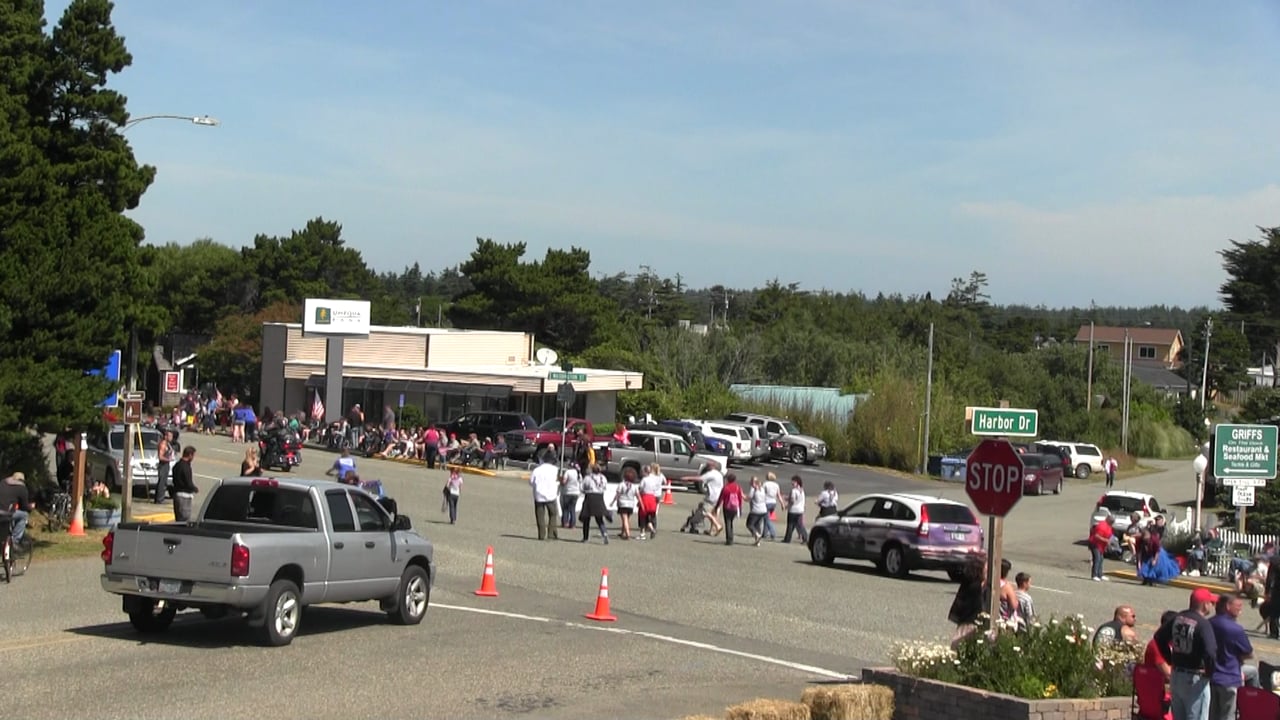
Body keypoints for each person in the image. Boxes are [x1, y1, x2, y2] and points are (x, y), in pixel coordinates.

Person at [1154, 588, 1219, 720]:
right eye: (1211, 603)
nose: (1212, 606)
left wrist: (1170, 659)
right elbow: (1211, 652)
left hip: (1177, 675)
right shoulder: (1203, 624)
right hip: (1195, 678)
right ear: (1204, 604)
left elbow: (1159, 637)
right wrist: (1210, 672)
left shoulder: (1178, 618)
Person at [1209, 593, 1259, 720]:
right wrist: (1239, 658)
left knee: (1212, 715)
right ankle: (1252, 704)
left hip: (1210, 676)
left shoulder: (1208, 623)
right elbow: (1249, 653)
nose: (1241, 609)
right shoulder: (1235, 629)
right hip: (1229, 677)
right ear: (1228, 606)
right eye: (1238, 606)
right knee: (1227, 715)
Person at [948, 557, 985, 647]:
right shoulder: (976, 586)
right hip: (970, 618)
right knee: (962, 638)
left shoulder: (967, 581)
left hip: (964, 616)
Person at [529, 455, 560, 541]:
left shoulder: (536, 470)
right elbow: (557, 480)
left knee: (540, 516)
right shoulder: (555, 469)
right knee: (553, 514)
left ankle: (541, 534)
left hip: (539, 495)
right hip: (551, 495)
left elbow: (531, 482)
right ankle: (551, 533)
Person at [579, 464, 609, 544]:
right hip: (600, 497)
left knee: (586, 518)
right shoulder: (603, 478)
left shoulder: (588, 478)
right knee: (599, 518)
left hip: (590, 497)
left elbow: (582, 487)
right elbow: (605, 487)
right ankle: (604, 533)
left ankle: (585, 538)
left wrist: (585, 491)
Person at [712, 473, 745, 546]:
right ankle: (731, 538)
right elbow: (740, 499)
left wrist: (716, 507)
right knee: (731, 523)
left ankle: (729, 540)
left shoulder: (726, 488)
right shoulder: (738, 487)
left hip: (727, 507)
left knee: (728, 523)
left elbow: (721, 498)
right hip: (735, 507)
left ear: (728, 479)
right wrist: (740, 508)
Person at [0, 472, 32, 545]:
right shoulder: (22, 488)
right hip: (6, 513)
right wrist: (30, 507)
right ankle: (15, 541)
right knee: (24, 515)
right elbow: (24, 507)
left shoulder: (2, 482)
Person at [170, 446, 198, 522]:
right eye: (193, 455)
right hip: (184, 496)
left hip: (177, 494)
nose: (193, 458)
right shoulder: (185, 467)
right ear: (190, 455)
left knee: (178, 518)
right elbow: (188, 482)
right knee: (184, 519)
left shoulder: (177, 465)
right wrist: (194, 488)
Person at [698, 461, 725, 535]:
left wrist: (687, 478)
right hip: (719, 496)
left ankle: (718, 525)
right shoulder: (719, 474)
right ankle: (712, 530)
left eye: (708, 466)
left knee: (705, 511)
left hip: (712, 496)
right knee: (714, 513)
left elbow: (700, 478)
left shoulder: (710, 474)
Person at [638, 463, 663, 540]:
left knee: (642, 516)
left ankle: (642, 533)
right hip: (652, 498)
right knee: (649, 516)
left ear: (645, 472)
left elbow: (640, 488)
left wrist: (639, 499)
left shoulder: (644, 479)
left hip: (645, 498)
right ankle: (652, 529)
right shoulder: (653, 480)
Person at [613, 467, 639, 540]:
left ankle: (627, 534)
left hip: (622, 503)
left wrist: (613, 501)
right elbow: (638, 495)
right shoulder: (634, 486)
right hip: (630, 504)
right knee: (626, 519)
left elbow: (618, 494)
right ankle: (622, 532)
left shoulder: (621, 484)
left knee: (624, 519)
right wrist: (641, 503)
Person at [782, 475, 808, 544]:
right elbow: (797, 499)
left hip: (793, 510)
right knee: (800, 525)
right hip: (800, 510)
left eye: (794, 481)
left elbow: (792, 500)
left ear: (797, 482)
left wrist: (786, 506)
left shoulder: (793, 490)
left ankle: (787, 539)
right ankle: (805, 537)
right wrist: (787, 498)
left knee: (790, 525)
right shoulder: (801, 490)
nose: (792, 483)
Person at [1089, 514, 1114, 581]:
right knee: (1097, 559)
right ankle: (1094, 575)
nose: (1112, 523)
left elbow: (1109, 535)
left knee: (1101, 559)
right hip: (1095, 544)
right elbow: (1096, 536)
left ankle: (1100, 575)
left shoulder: (1109, 526)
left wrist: (1107, 544)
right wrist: (1106, 540)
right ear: (1108, 519)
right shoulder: (1102, 526)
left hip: (1101, 546)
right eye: (1111, 521)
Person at [746, 476, 769, 547]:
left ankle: (757, 534)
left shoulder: (753, 489)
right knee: (757, 525)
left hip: (756, 510)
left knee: (749, 524)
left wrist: (742, 495)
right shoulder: (762, 489)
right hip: (763, 510)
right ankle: (757, 542)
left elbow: (748, 498)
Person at [559, 462, 581, 530]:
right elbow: (580, 482)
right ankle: (573, 524)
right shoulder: (578, 473)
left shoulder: (568, 472)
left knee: (566, 508)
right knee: (572, 509)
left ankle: (565, 522)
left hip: (568, 492)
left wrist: (561, 482)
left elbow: (564, 482)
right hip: (576, 492)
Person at [154, 430, 174, 503]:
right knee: (161, 482)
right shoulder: (163, 444)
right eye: (170, 436)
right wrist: (169, 459)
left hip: (166, 464)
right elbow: (160, 457)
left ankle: (161, 498)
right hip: (163, 465)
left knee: (164, 482)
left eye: (172, 436)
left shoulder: (168, 444)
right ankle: (159, 499)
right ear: (165, 436)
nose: (171, 438)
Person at [761, 472, 781, 540]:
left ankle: (773, 533)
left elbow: (762, 493)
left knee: (767, 519)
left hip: (767, 502)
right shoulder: (776, 485)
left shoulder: (765, 484)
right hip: (773, 503)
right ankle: (764, 533)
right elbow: (778, 495)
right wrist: (782, 503)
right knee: (766, 518)